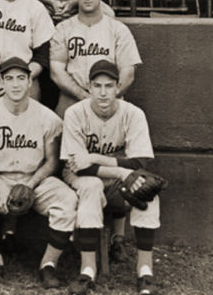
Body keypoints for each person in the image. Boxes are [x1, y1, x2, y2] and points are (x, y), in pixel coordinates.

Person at [0, 57, 77, 289]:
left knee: (67, 199)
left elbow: (52, 161)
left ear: (29, 82)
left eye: (20, 78)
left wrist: (31, 184)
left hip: (35, 178)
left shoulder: (47, 117)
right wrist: (0, 186)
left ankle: (48, 265)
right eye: (9, 79)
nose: (15, 84)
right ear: (2, 83)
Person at [61, 60, 161, 295]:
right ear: (89, 87)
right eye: (97, 86)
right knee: (92, 186)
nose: (103, 92)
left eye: (109, 86)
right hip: (81, 177)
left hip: (116, 178)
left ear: (118, 87)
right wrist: (119, 170)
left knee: (148, 190)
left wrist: (96, 157)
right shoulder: (75, 113)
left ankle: (145, 272)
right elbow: (79, 167)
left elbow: (140, 163)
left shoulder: (133, 114)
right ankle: (87, 272)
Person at [50, 0, 142, 118]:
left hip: (110, 102)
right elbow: (57, 72)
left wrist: (104, 99)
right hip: (72, 100)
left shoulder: (118, 30)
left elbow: (128, 73)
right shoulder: (62, 29)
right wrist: (85, 98)